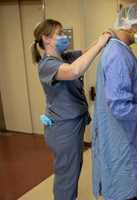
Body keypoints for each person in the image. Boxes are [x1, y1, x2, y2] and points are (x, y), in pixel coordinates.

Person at [31, 19, 111, 200]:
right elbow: (74, 71)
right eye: (59, 34)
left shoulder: (64, 56)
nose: (64, 36)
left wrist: (102, 38)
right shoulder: (47, 65)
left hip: (72, 124)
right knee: (67, 174)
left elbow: (85, 52)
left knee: (71, 169)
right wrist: (100, 44)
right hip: (63, 129)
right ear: (46, 39)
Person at [92, 4, 137, 200]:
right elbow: (120, 107)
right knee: (123, 184)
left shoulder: (123, 51)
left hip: (126, 133)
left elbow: (132, 85)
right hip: (121, 136)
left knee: (128, 186)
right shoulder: (117, 55)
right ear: (132, 26)